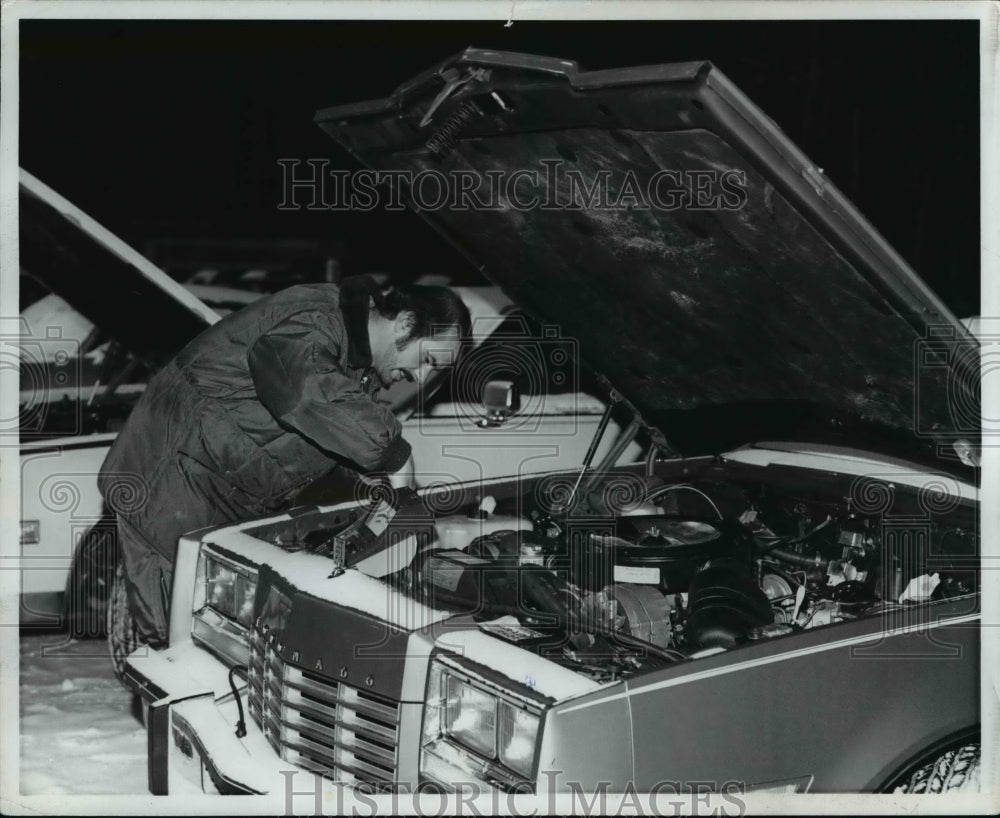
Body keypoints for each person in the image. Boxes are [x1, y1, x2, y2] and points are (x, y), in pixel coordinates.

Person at [98, 274, 470, 678]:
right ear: (404, 323)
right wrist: (393, 454)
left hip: (210, 492)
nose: (421, 378)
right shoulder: (317, 317)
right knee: (185, 644)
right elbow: (302, 390)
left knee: (222, 639)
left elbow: (319, 437)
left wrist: (371, 489)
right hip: (170, 486)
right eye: (429, 360)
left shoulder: (348, 361)